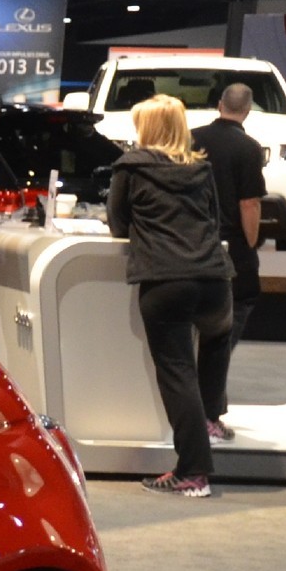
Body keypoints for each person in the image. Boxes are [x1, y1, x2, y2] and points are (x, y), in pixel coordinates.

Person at [108, 94, 235, 498]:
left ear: (146, 129)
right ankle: (211, 420)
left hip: (166, 281)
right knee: (216, 340)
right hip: (215, 280)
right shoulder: (201, 168)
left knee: (177, 373)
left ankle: (194, 472)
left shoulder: (131, 167)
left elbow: (117, 225)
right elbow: (214, 220)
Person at [195, 82, 268, 437]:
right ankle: (209, 412)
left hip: (193, 243)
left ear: (220, 104)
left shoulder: (192, 138)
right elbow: (249, 203)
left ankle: (197, 406)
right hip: (232, 250)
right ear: (248, 111)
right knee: (225, 330)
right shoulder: (249, 148)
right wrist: (250, 243)